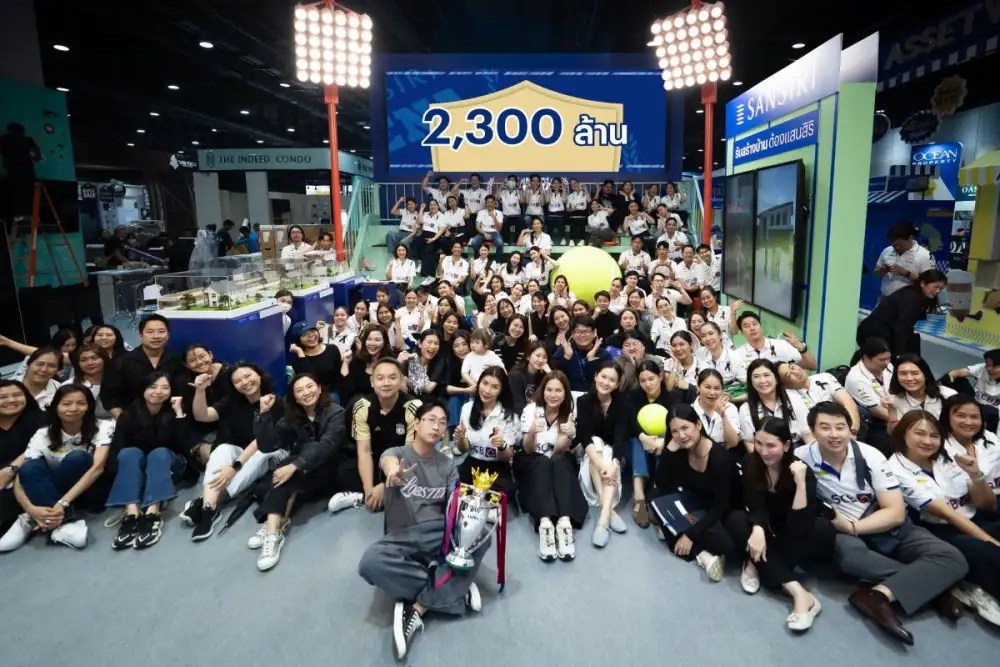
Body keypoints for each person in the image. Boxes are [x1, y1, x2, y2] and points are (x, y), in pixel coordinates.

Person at [795, 401, 968, 645]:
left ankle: (878, 595)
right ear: (812, 431)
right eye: (825, 428)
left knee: (953, 558)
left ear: (850, 429)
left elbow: (895, 512)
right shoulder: (802, 458)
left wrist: (854, 527)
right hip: (843, 531)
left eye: (840, 427)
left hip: (879, 522)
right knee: (851, 558)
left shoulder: (871, 455)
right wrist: (847, 529)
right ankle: (933, 586)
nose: (834, 435)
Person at [357, 399, 485, 661]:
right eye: (431, 420)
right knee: (370, 562)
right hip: (402, 537)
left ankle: (419, 606)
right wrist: (393, 472)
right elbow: (387, 462)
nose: (437, 427)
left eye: (442, 422)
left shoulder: (448, 465)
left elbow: (454, 508)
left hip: (437, 534)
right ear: (416, 424)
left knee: (482, 533)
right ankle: (453, 585)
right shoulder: (397, 453)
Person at [887, 408, 1000, 626]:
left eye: (934, 435)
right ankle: (972, 587)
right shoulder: (896, 470)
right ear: (903, 435)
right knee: (984, 551)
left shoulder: (947, 457)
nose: (927, 441)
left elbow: (986, 504)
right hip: (939, 530)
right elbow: (948, 515)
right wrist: (993, 543)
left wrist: (975, 475)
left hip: (972, 516)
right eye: (919, 433)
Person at [724, 417, 835, 631]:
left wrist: (800, 484)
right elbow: (754, 504)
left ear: (785, 445)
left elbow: (799, 525)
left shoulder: (802, 472)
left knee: (821, 529)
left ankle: (754, 561)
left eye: (771, 445)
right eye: (759, 443)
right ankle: (799, 593)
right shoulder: (751, 462)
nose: (764, 451)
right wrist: (758, 529)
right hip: (767, 525)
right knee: (736, 520)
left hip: (794, 531)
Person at [250, 373, 353, 571]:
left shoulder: (335, 411)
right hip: (309, 470)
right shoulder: (292, 417)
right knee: (286, 469)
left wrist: (295, 465)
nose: (306, 393)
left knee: (291, 463)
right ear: (294, 397)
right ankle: (274, 529)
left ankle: (272, 528)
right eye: (299, 390)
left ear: (319, 388)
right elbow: (268, 445)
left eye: (310, 387)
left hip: (334, 468)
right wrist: (263, 414)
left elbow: (327, 445)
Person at [1, 384, 115, 552]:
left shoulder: (104, 426)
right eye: (66, 404)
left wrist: (62, 503)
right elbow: (21, 477)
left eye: (81, 403)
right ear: (56, 407)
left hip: (88, 492)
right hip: (56, 495)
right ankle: (54, 521)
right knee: (30, 467)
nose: (73, 408)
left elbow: (97, 468)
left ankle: (54, 517)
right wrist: (31, 509)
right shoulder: (42, 434)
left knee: (78, 457)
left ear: (89, 406)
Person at [182, 362, 287, 541]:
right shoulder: (232, 402)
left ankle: (205, 500)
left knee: (259, 455)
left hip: (272, 451)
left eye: (248, 376)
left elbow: (260, 441)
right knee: (222, 449)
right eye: (237, 381)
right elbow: (202, 415)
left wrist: (234, 467)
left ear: (259, 375)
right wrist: (200, 391)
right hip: (242, 450)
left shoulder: (273, 400)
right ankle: (209, 509)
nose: (244, 382)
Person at [105, 372, 190, 550]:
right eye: (153, 387)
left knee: (158, 454)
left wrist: (179, 413)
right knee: (128, 453)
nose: (158, 392)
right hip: (140, 468)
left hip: (170, 464)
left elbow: (184, 446)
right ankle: (132, 513)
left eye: (165, 388)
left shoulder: (174, 411)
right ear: (143, 389)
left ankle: (153, 512)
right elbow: (117, 449)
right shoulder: (128, 415)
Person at [651, 403, 735, 582]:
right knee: (655, 498)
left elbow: (721, 506)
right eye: (674, 431)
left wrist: (690, 535)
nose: (681, 436)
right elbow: (661, 483)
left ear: (698, 425)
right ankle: (703, 555)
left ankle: (675, 533)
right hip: (692, 503)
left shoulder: (720, 459)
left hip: (714, 513)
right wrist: (668, 452)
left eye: (685, 428)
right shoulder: (680, 450)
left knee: (725, 544)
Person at [514, 370, 590, 559]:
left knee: (559, 460)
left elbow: (558, 450)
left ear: (565, 393)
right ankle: (545, 524)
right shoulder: (531, 410)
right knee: (541, 461)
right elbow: (529, 449)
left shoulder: (570, 413)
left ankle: (564, 524)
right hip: (533, 461)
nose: (553, 395)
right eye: (549, 390)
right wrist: (532, 432)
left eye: (558, 390)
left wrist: (568, 435)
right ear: (543, 390)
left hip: (556, 463)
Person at [454, 366, 518, 502]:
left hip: (496, 467)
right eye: (485, 383)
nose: (487, 390)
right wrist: (461, 437)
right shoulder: (467, 408)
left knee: (505, 494)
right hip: (472, 463)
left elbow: (507, 456)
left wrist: (501, 445)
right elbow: (464, 449)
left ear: (501, 390)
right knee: (453, 485)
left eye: (495, 387)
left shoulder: (508, 415)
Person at [102, 314, 182, 418]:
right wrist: (124, 422)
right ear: (140, 336)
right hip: (132, 419)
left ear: (168, 336)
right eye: (150, 332)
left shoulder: (176, 360)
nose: (156, 336)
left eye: (161, 331)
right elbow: (110, 398)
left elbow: (181, 392)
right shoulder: (122, 362)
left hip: (168, 418)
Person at [856, 269, 947, 359]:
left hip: (879, 332)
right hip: (874, 334)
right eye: (936, 287)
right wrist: (900, 355)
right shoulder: (910, 297)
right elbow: (901, 327)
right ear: (923, 284)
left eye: (941, 289)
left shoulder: (914, 295)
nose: (938, 291)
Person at [0, 381, 45, 538]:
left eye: (17, 395)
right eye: (3, 397)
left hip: (33, 472)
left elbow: (39, 448)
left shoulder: (42, 419)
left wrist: (11, 470)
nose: (11, 400)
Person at [739, 359, 812, 448]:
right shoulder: (745, 409)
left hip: (798, 448)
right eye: (756, 376)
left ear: (776, 378)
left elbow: (807, 433)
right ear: (751, 382)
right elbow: (750, 442)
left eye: (766, 375)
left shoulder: (793, 397)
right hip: (765, 452)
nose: (762, 381)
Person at [778, 361, 861, 431]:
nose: (796, 372)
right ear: (785, 385)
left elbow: (848, 402)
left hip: (843, 427)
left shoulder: (824, 377)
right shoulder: (790, 397)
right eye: (789, 375)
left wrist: (852, 430)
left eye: (793, 367)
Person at [845, 337, 895, 454]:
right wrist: (905, 422)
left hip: (893, 411)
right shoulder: (856, 379)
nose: (886, 362)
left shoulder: (888, 367)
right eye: (881, 359)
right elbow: (877, 411)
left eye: (888, 358)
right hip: (874, 422)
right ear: (866, 358)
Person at [886, 353, 956, 425]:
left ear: (925, 375)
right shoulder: (894, 400)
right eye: (903, 373)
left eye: (915, 373)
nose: (909, 378)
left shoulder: (948, 395)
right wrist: (892, 413)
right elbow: (895, 431)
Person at [736, 312, 816, 372]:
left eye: (755, 324)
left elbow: (812, 366)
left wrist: (802, 349)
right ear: (742, 332)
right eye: (746, 326)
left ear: (760, 326)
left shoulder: (782, 345)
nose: (752, 328)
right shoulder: (737, 355)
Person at [551, 316, 610, 393]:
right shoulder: (563, 350)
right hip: (568, 395)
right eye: (578, 331)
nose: (582, 335)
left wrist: (591, 361)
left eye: (586, 331)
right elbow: (554, 377)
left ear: (594, 332)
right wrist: (566, 358)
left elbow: (606, 381)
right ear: (573, 334)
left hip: (595, 396)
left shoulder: (603, 354)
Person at [874, 222, 933, 298]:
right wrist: (883, 270)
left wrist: (905, 273)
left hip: (909, 301)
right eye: (894, 245)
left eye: (899, 245)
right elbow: (876, 272)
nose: (897, 248)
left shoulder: (925, 255)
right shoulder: (887, 250)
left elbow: (929, 283)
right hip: (885, 298)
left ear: (910, 238)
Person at [946, 348, 1000, 429]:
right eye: (987, 365)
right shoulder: (982, 368)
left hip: (993, 411)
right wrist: (950, 377)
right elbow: (957, 372)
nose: (989, 369)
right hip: (973, 399)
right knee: (957, 380)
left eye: (994, 367)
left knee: (989, 411)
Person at [1, 327, 79, 382]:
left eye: (74, 345)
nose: (71, 348)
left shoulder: (75, 358)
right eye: (67, 345)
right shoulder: (33, 357)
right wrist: (7, 342)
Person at [288, 322, 343, 398]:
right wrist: (300, 352)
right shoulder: (298, 358)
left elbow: (338, 376)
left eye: (313, 331)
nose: (311, 335)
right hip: (311, 396)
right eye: (305, 334)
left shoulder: (332, 349)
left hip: (332, 393)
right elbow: (311, 381)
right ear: (299, 339)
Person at [692, 369, 740, 449]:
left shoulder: (729, 408)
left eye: (717, 388)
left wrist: (723, 417)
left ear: (722, 390)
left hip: (723, 453)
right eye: (707, 387)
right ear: (698, 387)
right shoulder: (690, 410)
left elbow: (733, 443)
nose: (712, 393)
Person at [402, 331, 448, 402]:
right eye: (429, 342)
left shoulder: (440, 362)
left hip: (430, 401)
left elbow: (429, 389)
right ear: (419, 343)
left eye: (436, 343)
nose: (432, 346)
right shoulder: (408, 357)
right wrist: (398, 362)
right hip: (407, 398)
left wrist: (406, 381)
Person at [508, 342, 550, 414]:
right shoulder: (515, 375)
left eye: (544, 357)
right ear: (528, 356)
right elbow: (517, 406)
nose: (541, 360)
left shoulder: (545, 374)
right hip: (518, 415)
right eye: (538, 355)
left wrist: (550, 373)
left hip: (539, 413)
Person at [470, 194, 505, 264]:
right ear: (485, 203)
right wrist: (484, 234)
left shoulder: (499, 213)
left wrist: (494, 217)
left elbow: (499, 229)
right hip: (483, 232)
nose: (490, 204)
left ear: (494, 203)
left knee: (500, 243)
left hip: (495, 233)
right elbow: (477, 227)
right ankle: (478, 261)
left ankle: (497, 263)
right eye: (488, 202)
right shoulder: (481, 212)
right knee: (474, 243)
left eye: (491, 202)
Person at [565, 178, 590, 246]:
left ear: (578, 184)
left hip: (583, 213)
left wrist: (586, 190)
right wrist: (571, 210)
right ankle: (571, 240)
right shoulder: (570, 196)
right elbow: (567, 209)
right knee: (573, 224)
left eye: (575, 183)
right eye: (572, 184)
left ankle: (582, 240)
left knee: (582, 223)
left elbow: (589, 200)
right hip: (573, 213)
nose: (574, 185)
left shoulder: (584, 193)